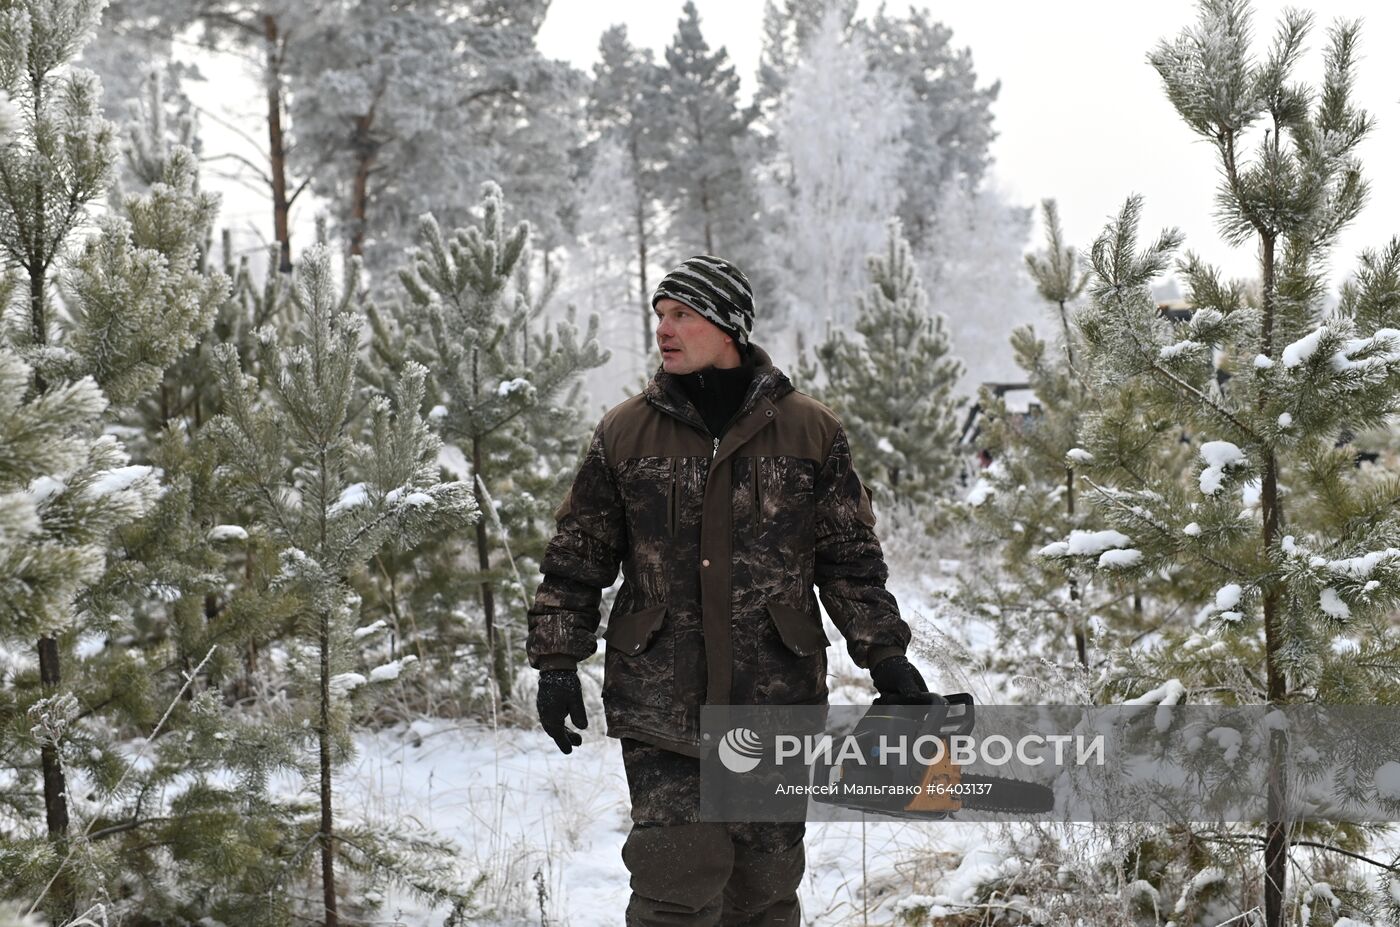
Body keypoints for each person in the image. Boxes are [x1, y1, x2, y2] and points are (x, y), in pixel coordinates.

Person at [527, 255, 930, 926]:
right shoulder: (625, 432)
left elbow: (849, 560)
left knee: (764, 893)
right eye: (660, 315)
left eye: (683, 314)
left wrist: (885, 657)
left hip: (775, 693)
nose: (665, 329)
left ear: (730, 325)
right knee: (673, 887)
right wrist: (557, 662)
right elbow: (577, 556)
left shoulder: (810, 430)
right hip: (663, 696)